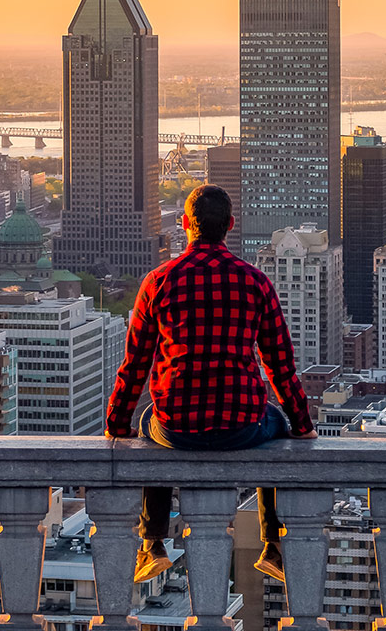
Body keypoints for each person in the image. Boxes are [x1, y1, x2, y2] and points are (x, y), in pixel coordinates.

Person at [103, 184, 317, 583]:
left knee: (151, 417)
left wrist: (117, 424)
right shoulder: (256, 283)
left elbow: (135, 365)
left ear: (184, 225)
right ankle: (272, 544)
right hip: (243, 427)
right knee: (279, 424)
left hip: (175, 428)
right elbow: (280, 366)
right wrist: (302, 425)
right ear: (230, 226)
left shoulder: (158, 281)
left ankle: (152, 544)